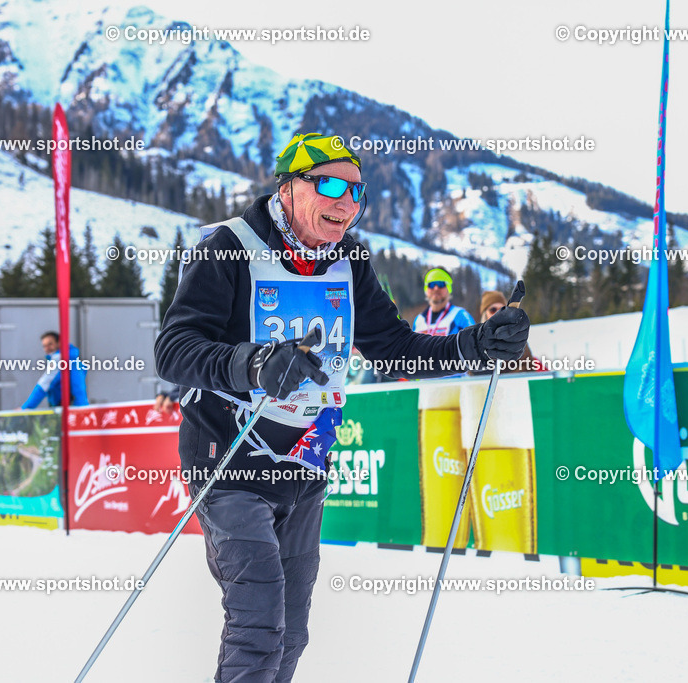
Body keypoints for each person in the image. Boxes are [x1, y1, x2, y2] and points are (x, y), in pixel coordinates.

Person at [154, 131, 530, 683]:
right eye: (329, 184)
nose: (347, 203)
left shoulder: (348, 259)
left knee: (292, 629)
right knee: (259, 616)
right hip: (228, 457)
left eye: (357, 191)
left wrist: (474, 344)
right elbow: (174, 350)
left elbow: (396, 349)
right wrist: (253, 364)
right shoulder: (229, 248)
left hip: (305, 462)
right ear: (287, 187)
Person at [470, 291, 541, 375]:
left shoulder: (517, 336)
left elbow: (528, 367)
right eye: (493, 310)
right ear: (485, 314)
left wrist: (505, 380)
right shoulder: (475, 340)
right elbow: (469, 372)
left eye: (502, 309)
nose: (497, 313)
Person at [20, 331, 89, 409]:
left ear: (59, 343)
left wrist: (25, 408)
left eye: (50, 344)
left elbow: (43, 386)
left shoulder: (59, 359)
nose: (47, 348)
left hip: (68, 408)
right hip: (80, 407)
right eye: (44, 346)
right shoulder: (73, 357)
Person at [412, 267, 476, 336]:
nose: (436, 288)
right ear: (426, 289)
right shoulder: (418, 320)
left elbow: (474, 341)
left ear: (449, 288)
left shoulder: (460, 315)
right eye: (431, 284)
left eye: (441, 284)